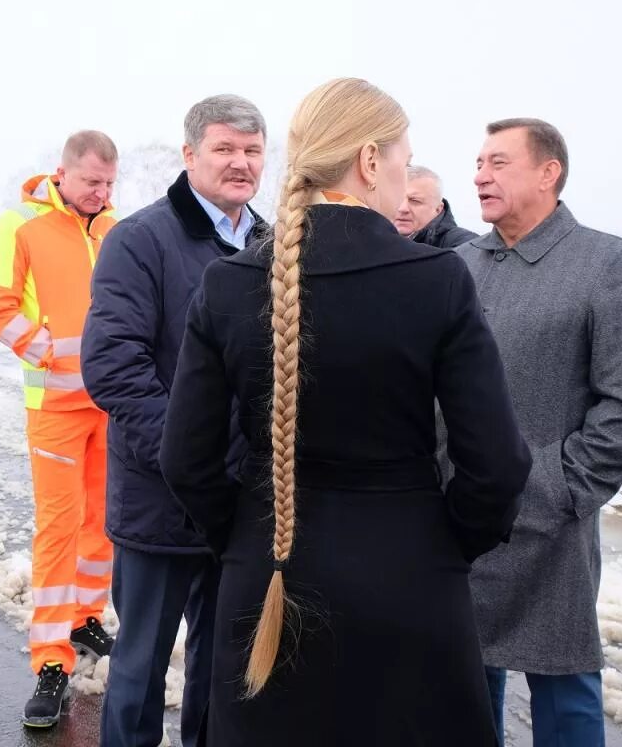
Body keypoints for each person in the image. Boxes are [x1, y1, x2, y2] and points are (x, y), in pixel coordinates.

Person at [158, 78, 532, 746]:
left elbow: (185, 459)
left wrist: (242, 534)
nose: (402, 176)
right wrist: (443, 545)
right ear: (367, 161)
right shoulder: (437, 279)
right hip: (410, 583)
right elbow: (497, 465)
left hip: (266, 578)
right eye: (400, 159)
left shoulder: (228, 283)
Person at [460, 118, 622, 746]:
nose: (479, 175)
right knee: (467, 688)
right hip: (457, 517)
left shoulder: (610, 264)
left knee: (564, 687)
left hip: (549, 524)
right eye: (477, 163)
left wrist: (553, 486)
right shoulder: (457, 265)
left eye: (498, 162)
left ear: (549, 172)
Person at [80, 94, 268, 747]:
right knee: (139, 671)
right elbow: (113, 365)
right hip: (161, 502)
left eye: (251, 151)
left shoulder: (275, 247)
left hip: (241, 506)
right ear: (190, 156)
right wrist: (191, 459)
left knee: (224, 676)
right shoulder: (140, 241)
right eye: (224, 149)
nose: (240, 163)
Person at [0, 130, 120, 729]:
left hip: (114, 405)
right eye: (92, 182)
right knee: (59, 529)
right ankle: (51, 663)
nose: (101, 193)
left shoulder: (117, 227)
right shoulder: (21, 223)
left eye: (110, 184)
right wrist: (52, 354)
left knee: (105, 521)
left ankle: (87, 615)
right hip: (55, 409)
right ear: (63, 173)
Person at [394, 165, 477, 247]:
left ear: (438, 209)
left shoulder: (465, 246)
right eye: (396, 199)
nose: (402, 208)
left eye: (415, 201)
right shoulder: (382, 244)